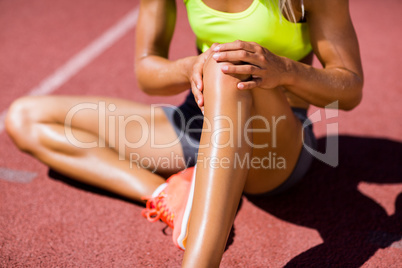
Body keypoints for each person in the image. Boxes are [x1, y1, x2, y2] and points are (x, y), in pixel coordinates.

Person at [5, 0, 363, 266]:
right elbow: (147, 72)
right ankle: (169, 195)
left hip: (273, 140)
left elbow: (349, 89)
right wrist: (194, 66)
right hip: (195, 122)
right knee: (24, 118)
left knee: (227, 69)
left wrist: (282, 69)